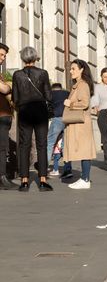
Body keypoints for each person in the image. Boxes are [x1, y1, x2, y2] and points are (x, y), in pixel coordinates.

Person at [11, 46, 53, 192]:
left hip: (24, 111)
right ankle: (42, 180)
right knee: (42, 144)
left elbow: (15, 98)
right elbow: (49, 96)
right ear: (35, 58)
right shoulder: (43, 73)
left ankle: (24, 181)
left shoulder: (17, 75)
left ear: (23, 58)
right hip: (40, 111)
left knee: (24, 145)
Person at [63, 59, 96, 189]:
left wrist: (70, 103)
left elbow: (85, 103)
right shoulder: (78, 84)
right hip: (79, 123)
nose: (71, 71)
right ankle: (84, 178)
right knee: (83, 150)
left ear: (82, 69)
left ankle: (85, 179)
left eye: (73, 69)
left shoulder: (82, 85)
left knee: (85, 151)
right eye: (70, 69)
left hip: (81, 124)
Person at [0, 43, 18, 190]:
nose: (3, 58)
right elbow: (4, 88)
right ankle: (2, 178)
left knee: (2, 147)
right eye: (0, 55)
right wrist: (9, 86)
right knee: (1, 148)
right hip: (1, 115)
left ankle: (2, 177)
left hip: (4, 115)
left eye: (4, 56)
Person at [46, 83, 70, 177]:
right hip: (68, 119)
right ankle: (68, 169)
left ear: (53, 88)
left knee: (50, 143)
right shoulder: (67, 93)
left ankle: (45, 167)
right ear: (61, 88)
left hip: (57, 119)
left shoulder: (50, 94)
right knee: (66, 145)